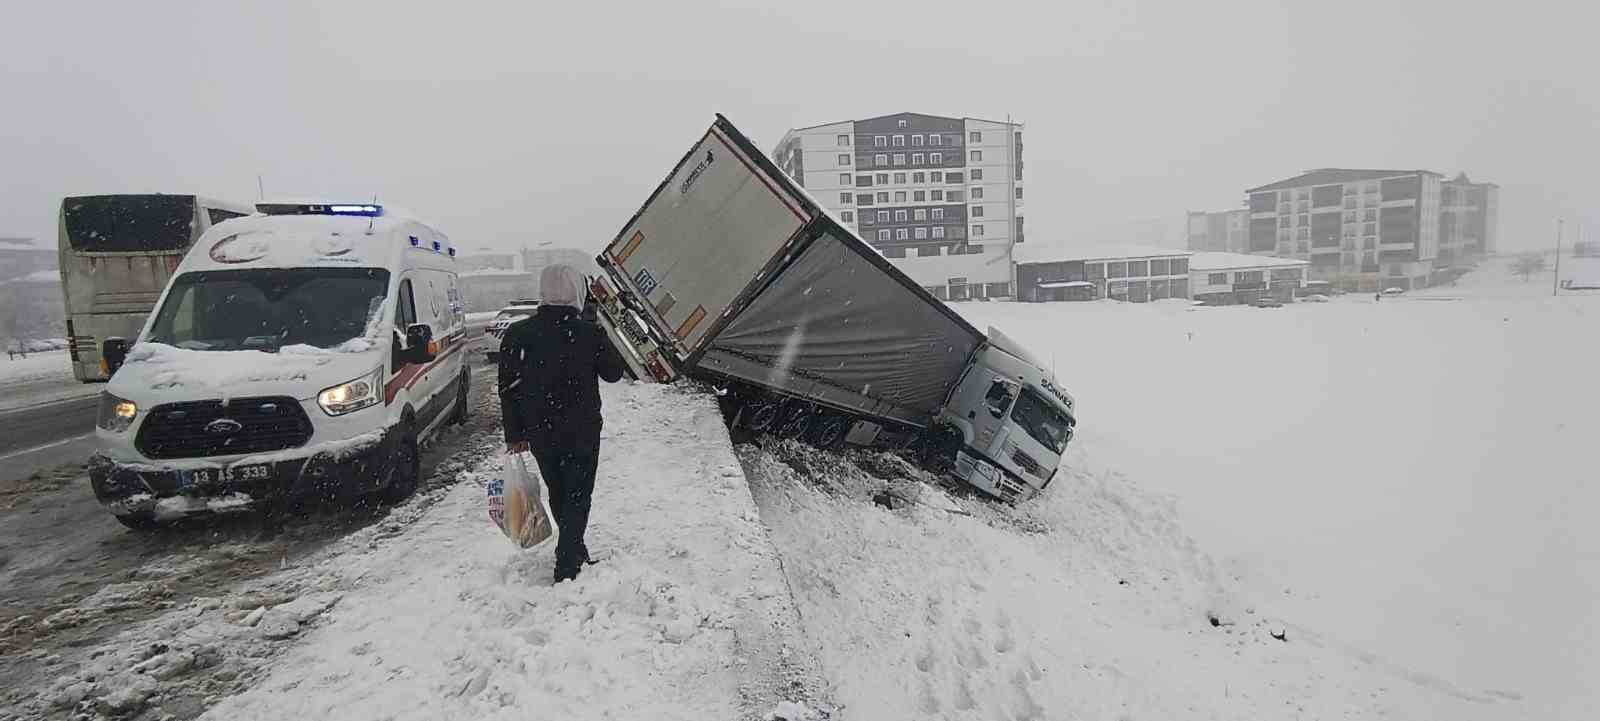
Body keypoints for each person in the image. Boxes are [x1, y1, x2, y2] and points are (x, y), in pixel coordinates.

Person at [498, 264, 625, 583]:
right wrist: (596, 330)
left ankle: (574, 547)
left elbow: (507, 389)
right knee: (579, 493)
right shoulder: (588, 333)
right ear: (576, 293)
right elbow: (613, 373)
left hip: (541, 430)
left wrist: (515, 433)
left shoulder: (518, 334)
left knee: (559, 490)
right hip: (582, 428)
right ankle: (567, 563)